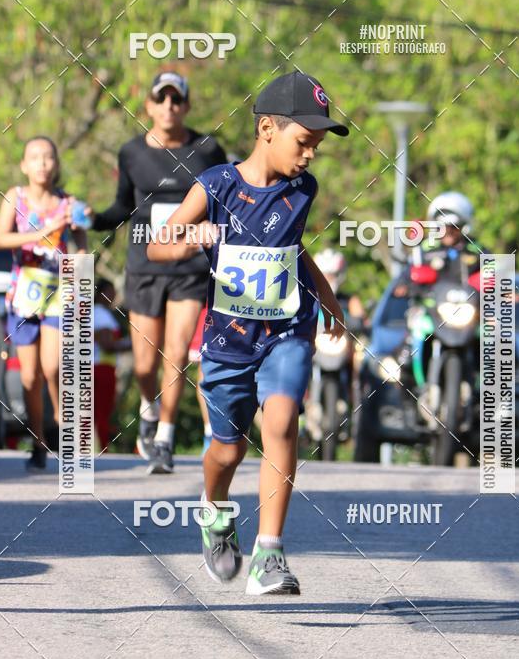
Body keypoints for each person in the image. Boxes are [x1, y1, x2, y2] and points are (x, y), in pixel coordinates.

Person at [148, 70, 349, 594]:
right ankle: (214, 512)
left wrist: (327, 298)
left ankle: (269, 555)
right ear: (266, 129)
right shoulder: (216, 185)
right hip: (228, 342)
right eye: (304, 142)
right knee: (227, 450)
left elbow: (292, 249)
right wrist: (194, 236)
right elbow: (157, 246)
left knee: (281, 422)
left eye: (317, 146)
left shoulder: (302, 189)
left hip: (287, 331)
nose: (309, 155)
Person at [92, 72, 227, 474]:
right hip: (145, 265)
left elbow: (224, 197)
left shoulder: (208, 149)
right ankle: (150, 408)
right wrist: (94, 218)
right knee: (145, 364)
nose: (169, 106)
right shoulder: (131, 152)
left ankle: (165, 435)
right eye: (160, 98)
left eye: (176, 99)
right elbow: (121, 207)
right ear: (148, 106)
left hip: (190, 266)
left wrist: (216, 231)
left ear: (186, 106)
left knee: (178, 353)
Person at [0, 136, 88, 470]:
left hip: (58, 293)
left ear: (56, 163)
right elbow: (0, 238)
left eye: (48, 157)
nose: (42, 163)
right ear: (24, 165)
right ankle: (37, 440)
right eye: (34, 157)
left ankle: (63, 428)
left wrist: (80, 237)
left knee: (54, 366)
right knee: (30, 376)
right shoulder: (14, 198)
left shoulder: (68, 202)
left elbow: (82, 246)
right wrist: (39, 234)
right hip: (23, 294)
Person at [93, 278, 132, 452]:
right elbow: (107, 345)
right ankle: (102, 448)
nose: (114, 295)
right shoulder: (101, 314)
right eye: (111, 291)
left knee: (96, 411)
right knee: (102, 411)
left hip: (97, 367)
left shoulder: (95, 312)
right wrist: (133, 344)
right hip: (101, 368)